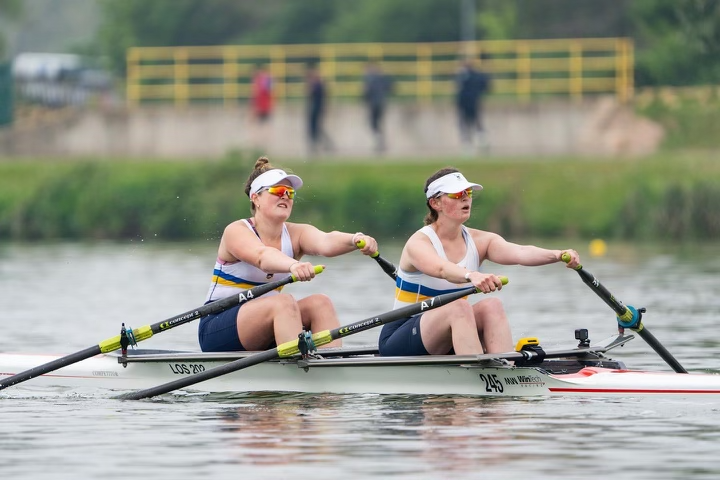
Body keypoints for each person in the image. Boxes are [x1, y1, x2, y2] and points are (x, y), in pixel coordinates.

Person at [378, 167, 581, 357]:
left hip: (445, 333)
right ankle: (479, 374)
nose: (465, 198)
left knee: (492, 305)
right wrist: (471, 275)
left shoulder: (480, 241)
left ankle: (505, 371)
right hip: (401, 335)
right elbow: (441, 269)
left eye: (468, 193)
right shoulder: (419, 243)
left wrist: (556, 254)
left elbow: (520, 252)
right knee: (459, 307)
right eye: (457, 195)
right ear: (435, 203)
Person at [198, 156, 379, 352]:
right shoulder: (236, 231)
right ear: (255, 198)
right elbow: (262, 257)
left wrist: (355, 239)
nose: (285, 196)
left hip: (265, 322)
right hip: (217, 326)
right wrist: (293, 265)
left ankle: (331, 367)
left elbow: (326, 241)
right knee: (283, 303)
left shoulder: (295, 234)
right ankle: (297, 369)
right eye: (277, 191)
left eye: (289, 193)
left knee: (321, 303)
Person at [456, 58, 491, 153]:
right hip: (473, 102)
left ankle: (471, 145)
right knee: (475, 123)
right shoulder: (477, 75)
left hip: (468, 103)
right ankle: (480, 143)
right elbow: (487, 87)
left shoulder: (463, 76)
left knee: (467, 124)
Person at [362, 61, 393, 153]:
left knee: (374, 123)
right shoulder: (381, 77)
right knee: (377, 123)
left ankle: (379, 142)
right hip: (381, 103)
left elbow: (366, 92)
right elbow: (390, 88)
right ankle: (380, 142)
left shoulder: (370, 79)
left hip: (375, 104)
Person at [306, 64, 333, 154]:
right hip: (315, 110)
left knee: (316, 128)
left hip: (316, 110)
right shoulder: (319, 84)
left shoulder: (317, 85)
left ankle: (323, 145)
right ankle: (323, 144)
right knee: (316, 129)